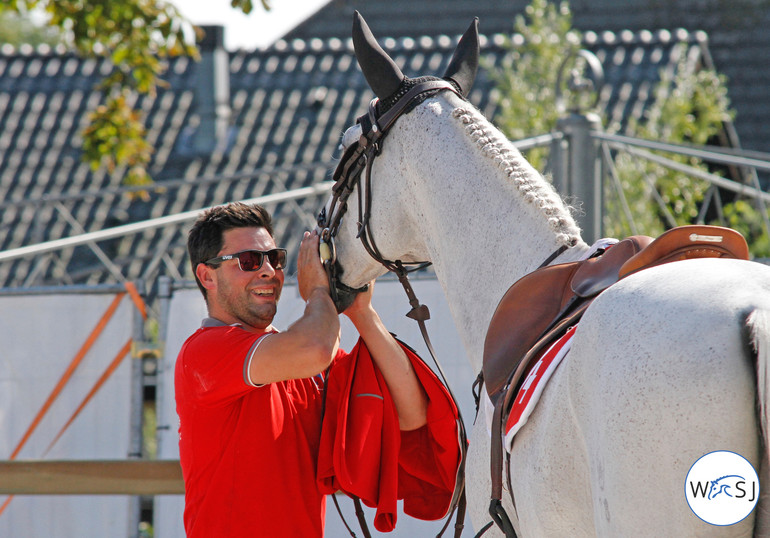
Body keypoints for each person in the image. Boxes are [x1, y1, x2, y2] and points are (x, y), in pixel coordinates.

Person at [175, 201, 433, 537]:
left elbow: (410, 414)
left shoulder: (303, 361)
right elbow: (315, 347)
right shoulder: (203, 351)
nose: (268, 271)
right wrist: (317, 294)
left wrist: (362, 313)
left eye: (275, 259)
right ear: (207, 275)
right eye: (250, 261)